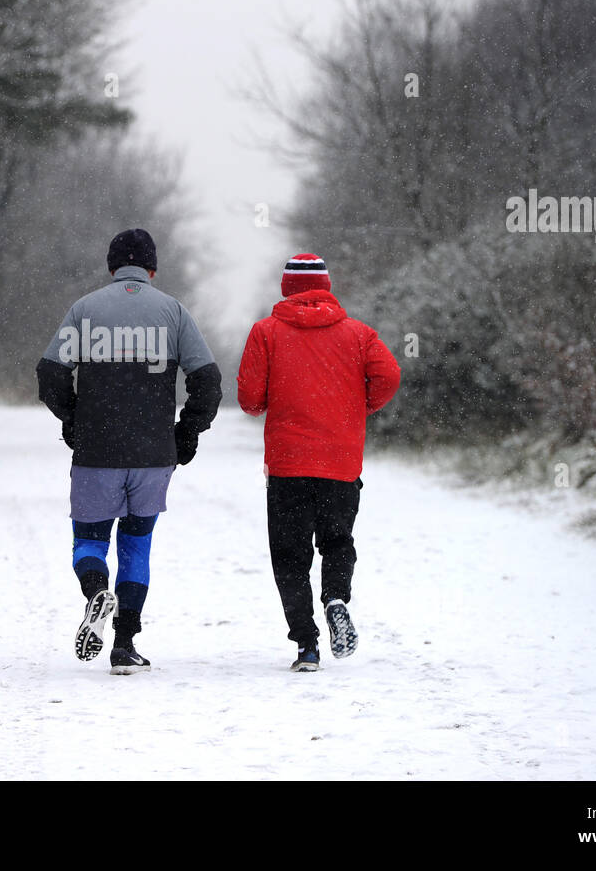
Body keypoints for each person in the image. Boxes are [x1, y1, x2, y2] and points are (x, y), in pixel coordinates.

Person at [37, 228, 222, 674]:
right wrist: (187, 431)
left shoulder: (85, 310)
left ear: (111, 267)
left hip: (96, 452)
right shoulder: (174, 312)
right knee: (137, 546)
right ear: (152, 269)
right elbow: (209, 381)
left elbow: (50, 374)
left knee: (90, 541)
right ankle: (124, 644)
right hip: (153, 454)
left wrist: (73, 419)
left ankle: (97, 590)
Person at [237, 254, 400, 672]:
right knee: (337, 541)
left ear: (286, 288)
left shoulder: (265, 332)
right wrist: (358, 407)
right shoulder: (359, 334)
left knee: (290, 556)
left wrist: (273, 399)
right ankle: (336, 597)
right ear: (326, 285)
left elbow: (250, 399)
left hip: (288, 465)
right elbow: (390, 375)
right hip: (341, 462)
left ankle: (306, 645)